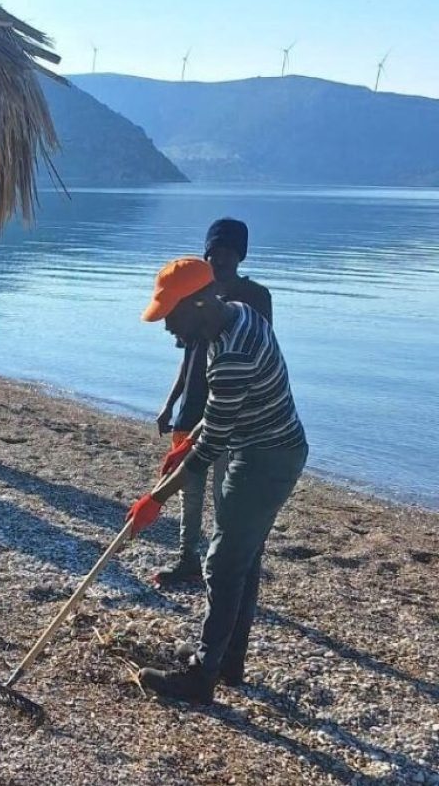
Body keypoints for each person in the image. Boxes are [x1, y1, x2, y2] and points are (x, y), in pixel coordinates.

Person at [126, 257, 307, 704]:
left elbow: (210, 453)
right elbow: (218, 420)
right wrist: (186, 445)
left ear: (201, 302)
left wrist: (155, 500)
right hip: (265, 446)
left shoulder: (231, 355)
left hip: (265, 458)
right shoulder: (239, 316)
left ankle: (201, 677)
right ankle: (227, 660)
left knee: (223, 564)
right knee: (241, 560)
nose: (168, 328)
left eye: (172, 316)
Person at [153, 218, 274, 588]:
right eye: (213, 254)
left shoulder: (255, 298)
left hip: (229, 414)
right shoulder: (192, 295)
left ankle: (220, 565)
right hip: (192, 407)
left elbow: (263, 352)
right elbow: (187, 356)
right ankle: (187, 558)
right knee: (189, 491)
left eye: (226, 254)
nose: (219, 260)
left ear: (239, 256)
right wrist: (169, 402)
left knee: (225, 492)